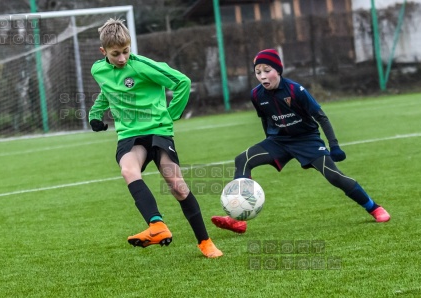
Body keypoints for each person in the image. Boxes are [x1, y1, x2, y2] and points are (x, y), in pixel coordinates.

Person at [211, 49, 391, 234]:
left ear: (278, 71)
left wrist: (334, 145)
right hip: (279, 141)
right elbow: (265, 118)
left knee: (334, 176)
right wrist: (269, 139)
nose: (262, 76)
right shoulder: (256, 95)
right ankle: (237, 219)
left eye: (267, 70)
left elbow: (321, 117)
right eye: (258, 72)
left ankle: (374, 208)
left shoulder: (296, 90)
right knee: (243, 159)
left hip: (307, 141)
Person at [88, 18, 222, 258]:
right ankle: (157, 226)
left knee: (177, 186)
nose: (122, 58)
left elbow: (182, 82)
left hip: (158, 131)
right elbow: (107, 92)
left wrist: (171, 116)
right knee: (129, 171)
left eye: (126, 52)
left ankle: (205, 242)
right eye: (116, 54)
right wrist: (95, 114)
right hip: (130, 134)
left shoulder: (143, 66)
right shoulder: (98, 70)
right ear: (103, 52)